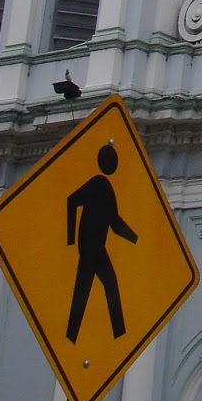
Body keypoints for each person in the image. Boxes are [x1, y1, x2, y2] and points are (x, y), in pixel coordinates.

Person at [65, 142, 138, 341]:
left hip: (96, 247)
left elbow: (114, 223)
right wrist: (70, 240)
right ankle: (75, 335)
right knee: (87, 290)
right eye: (111, 160)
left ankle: (116, 334)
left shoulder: (106, 187)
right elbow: (71, 201)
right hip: (90, 248)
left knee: (99, 287)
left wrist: (136, 239)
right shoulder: (98, 183)